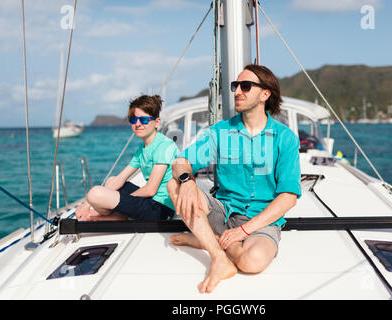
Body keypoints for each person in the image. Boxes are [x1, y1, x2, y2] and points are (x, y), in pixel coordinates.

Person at [167, 64, 302, 293]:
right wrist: (187, 181)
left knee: (252, 262)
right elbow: (180, 161)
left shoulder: (285, 138)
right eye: (235, 86)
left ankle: (206, 238)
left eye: (246, 86)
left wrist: (243, 231)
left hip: (261, 221)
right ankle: (218, 256)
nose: (237, 91)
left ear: (265, 94)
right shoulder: (220, 132)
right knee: (174, 183)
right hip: (223, 211)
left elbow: (288, 197)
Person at [75, 94, 178, 222]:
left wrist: (124, 200)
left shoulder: (163, 146)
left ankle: (116, 214)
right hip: (151, 201)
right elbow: (120, 178)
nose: (138, 124)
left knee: (95, 193)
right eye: (134, 119)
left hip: (160, 209)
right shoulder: (143, 149)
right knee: (111, 181)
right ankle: (118, 216)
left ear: (157, 122)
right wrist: (86, 205)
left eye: (144, 120)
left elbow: (151, 189)